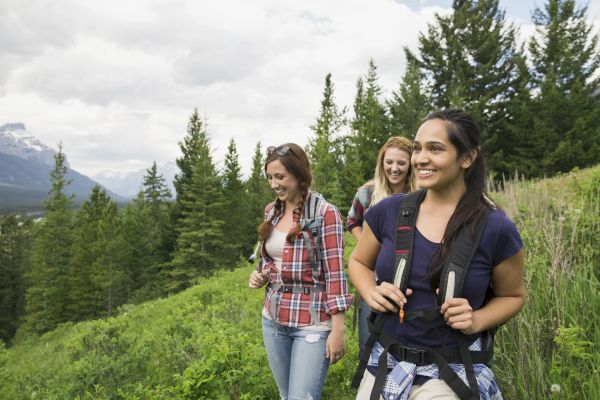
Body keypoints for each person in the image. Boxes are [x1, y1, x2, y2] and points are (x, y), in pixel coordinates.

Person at [349, 109, 526, 399]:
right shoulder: (390, 211)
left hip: (451, 371)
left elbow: (513, 296)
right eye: (417, 148)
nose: (420, 158)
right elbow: (358, 262)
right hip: (385, 365)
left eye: (435, 148)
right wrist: (371, 292)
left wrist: (477, 320)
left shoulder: (495, 227)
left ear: (467, 158)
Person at [249, 143, 353, 400]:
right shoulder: (271, 211)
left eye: (280, 177)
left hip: (312, 323)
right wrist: (261, 274)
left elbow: (335, 273)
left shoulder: (324, 213)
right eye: (270, 177)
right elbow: (272, 260)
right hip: (272, 319)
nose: (274, 184)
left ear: (299, 175)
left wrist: (338, 330)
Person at [347, 136, 413, 358]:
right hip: (373, 278)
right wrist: (369, 246)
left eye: (401, 163)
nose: (394, 168)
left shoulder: (420, 194)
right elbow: (353, 221)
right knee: (369, 341)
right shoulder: (367, 192)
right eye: (389, 162)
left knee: (405, 340)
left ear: (411, 164)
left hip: (409, 280)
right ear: (382, 162)